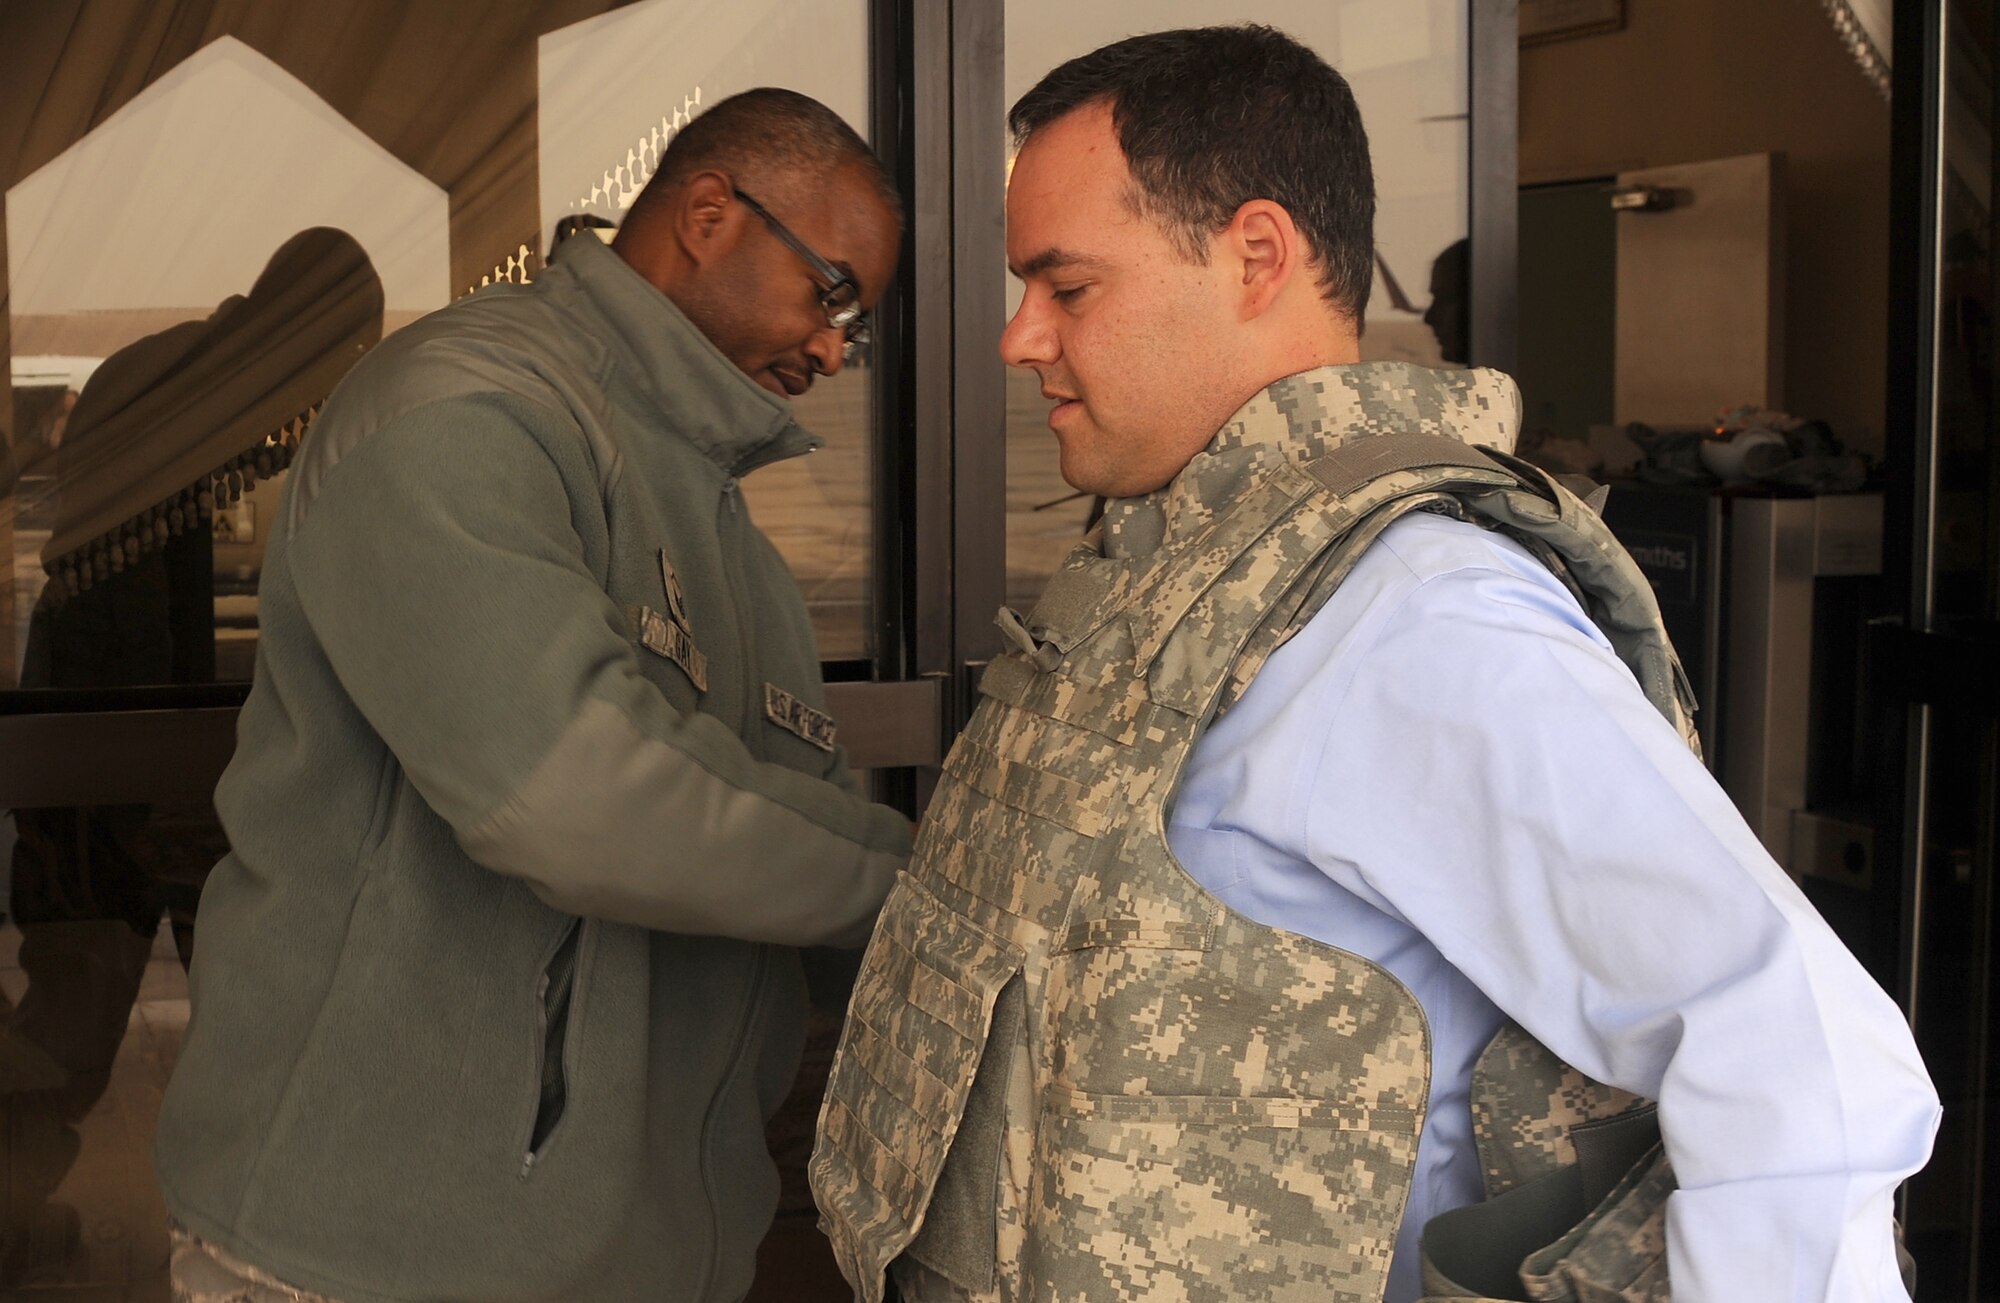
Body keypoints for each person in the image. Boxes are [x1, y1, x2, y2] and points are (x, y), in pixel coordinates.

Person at [809, 26, 1938, 1303]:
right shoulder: (1191, 569)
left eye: (1066, 289)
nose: (1018, 338)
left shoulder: (1413, 611)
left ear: (1255, 256)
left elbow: (1795, 1055)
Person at [152, 88, 912, 1303]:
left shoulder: (728, 532)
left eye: (853, 326)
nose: (832, 350)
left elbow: (760, 874)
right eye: (830, 294)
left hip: (628, 1262)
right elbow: (571, 797)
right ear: (708, 214)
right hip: (373, 1260)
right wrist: (922, 885)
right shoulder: (462, 408)